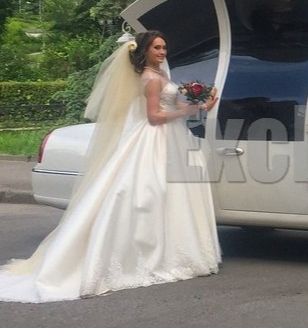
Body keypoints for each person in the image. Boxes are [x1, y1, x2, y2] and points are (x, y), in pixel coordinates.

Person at [0, 30, 221, 302]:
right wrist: (187, 111)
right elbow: (154, 117)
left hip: (173, 138)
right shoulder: (150, 79)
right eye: (156, 48)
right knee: (149, 193)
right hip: (154, 139)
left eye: (164, 47)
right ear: (144, 51)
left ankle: (173, 250)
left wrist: (200, 104)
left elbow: (173, 102)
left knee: (171, 196)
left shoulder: (162, 75)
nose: (162, 52)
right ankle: (146, 254)